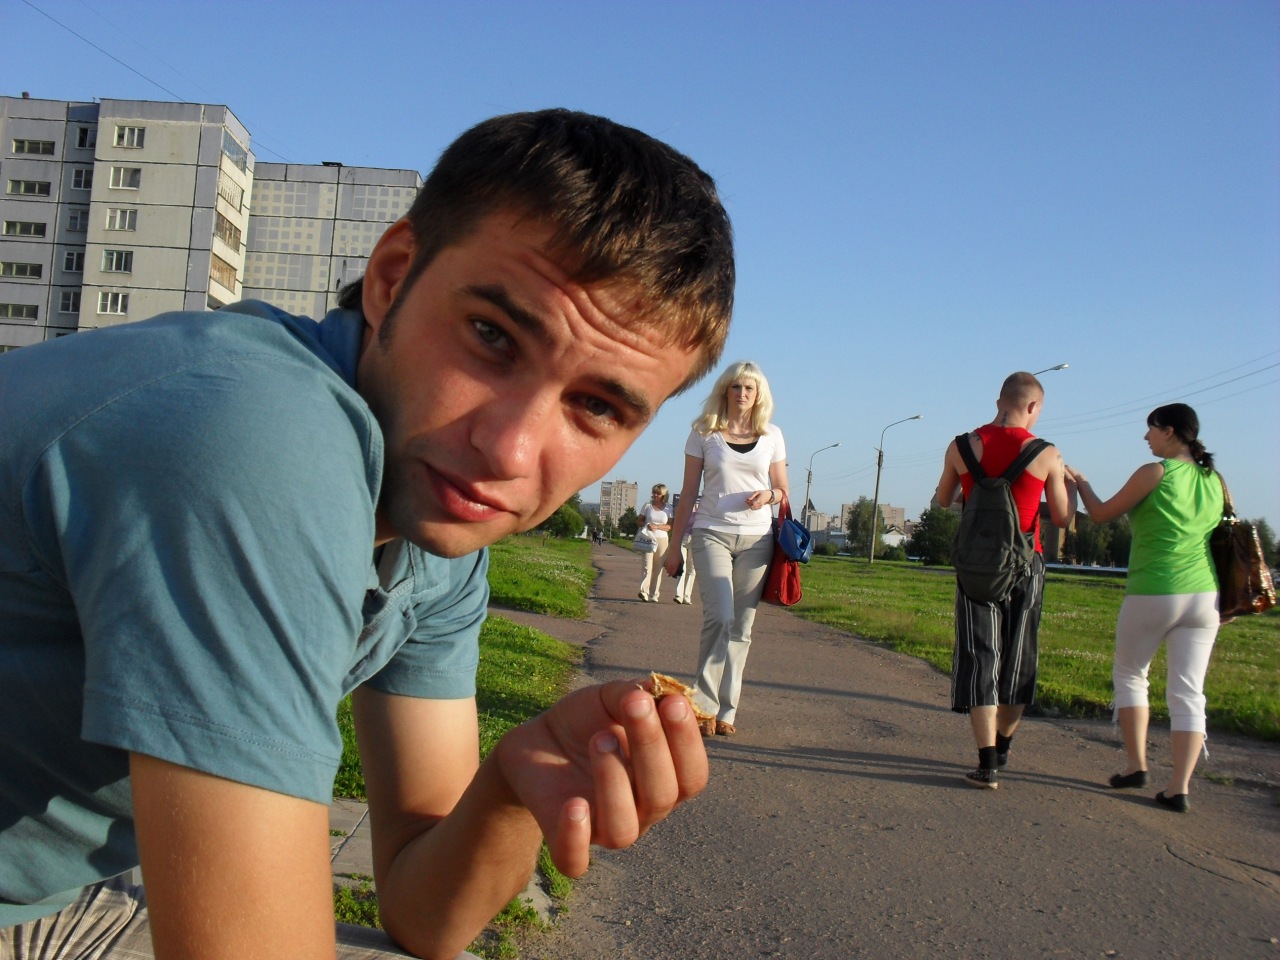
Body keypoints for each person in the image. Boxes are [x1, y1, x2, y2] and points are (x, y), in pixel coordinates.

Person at [0, 108, 735, 960]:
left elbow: (423, 916)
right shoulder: (258, 438)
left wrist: (508, 787)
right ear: (391, 278)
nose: (509, 450)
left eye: (597, 406)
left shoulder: (433, 526)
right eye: (491, 337)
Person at [1068, 404, 1224, 814]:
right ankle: (1179, 788)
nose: (1146, 437)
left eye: (1150, 429)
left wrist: (1081, 482)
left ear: (1169, 431)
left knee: (1131, 675)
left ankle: (1137, 766)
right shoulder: (1214, 479)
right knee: (1189, 693)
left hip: (1156, 589)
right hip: (1205, 595)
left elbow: (1101, 514)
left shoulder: (1155, 472)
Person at [934, 371, 1075, 789]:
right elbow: (1062, 517)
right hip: (1025, 567)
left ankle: (987, 764)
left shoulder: (961, 446)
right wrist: (1066, 482)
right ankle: (1004, 746)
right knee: (1018, 661)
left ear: (999, 401)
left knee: (980, 658)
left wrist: (972, 488)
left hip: (976, 567)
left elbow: (943, 499)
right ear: (1032, 406)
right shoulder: (1046, 453)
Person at [664, 361, 788, 738]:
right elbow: (688, 493)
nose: (742, 394)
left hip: (758, 539)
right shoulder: (704, 432)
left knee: (742, 626)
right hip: (711, 533)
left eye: (749, 388)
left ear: (759, 394)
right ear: (725, 391)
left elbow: (783, 490)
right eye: (736, 387)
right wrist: (674, 547)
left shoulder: (772, 435)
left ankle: (727, 710)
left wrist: (769, 495)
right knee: (719, 616)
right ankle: (703, 706)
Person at [637, 484, 673, 602]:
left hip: (662, 540)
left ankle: (654, 594)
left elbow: (670, 526)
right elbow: (639, 521)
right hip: (648, 538)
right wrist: (647, 524)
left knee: (657, 568)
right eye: (654, 492)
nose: (655, 495)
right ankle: (644, 592)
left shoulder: (669, 508)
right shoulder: (647, 506)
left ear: (663, 495)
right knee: (647, 566)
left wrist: (657, 526)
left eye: (658, 493)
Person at [673, 498, 700, 604]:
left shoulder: (700, 509)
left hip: (695, 539)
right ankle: (679, 595)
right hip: (683, 538)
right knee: (682, 566)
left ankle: (687, 596)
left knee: (692, 569)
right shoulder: (682, 509)